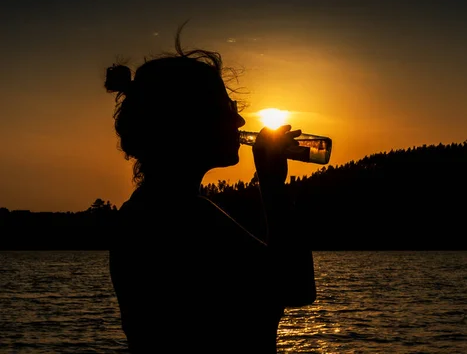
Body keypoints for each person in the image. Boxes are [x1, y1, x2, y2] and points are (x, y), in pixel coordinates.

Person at [104, 27, 316, 353]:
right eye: (227, 108)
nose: (241, 120)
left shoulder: (148, 210)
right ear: (187, 121)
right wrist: (273, 185)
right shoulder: (179, 216)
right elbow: (296, 286)